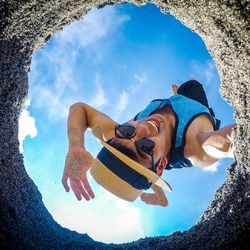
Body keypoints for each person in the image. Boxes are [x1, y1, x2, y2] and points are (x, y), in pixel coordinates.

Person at [62, 80, 235, 207]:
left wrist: (76, 145)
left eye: (127, 131)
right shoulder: (196, 149)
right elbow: (229, 141)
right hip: (196, 108)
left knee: (141, 173)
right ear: (162, 166)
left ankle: (177, 100)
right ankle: (160, 194)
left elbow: (80, 109)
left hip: (179, 101)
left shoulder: (117, 134)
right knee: (194, 85)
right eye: (145, 146)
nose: (143, 128)